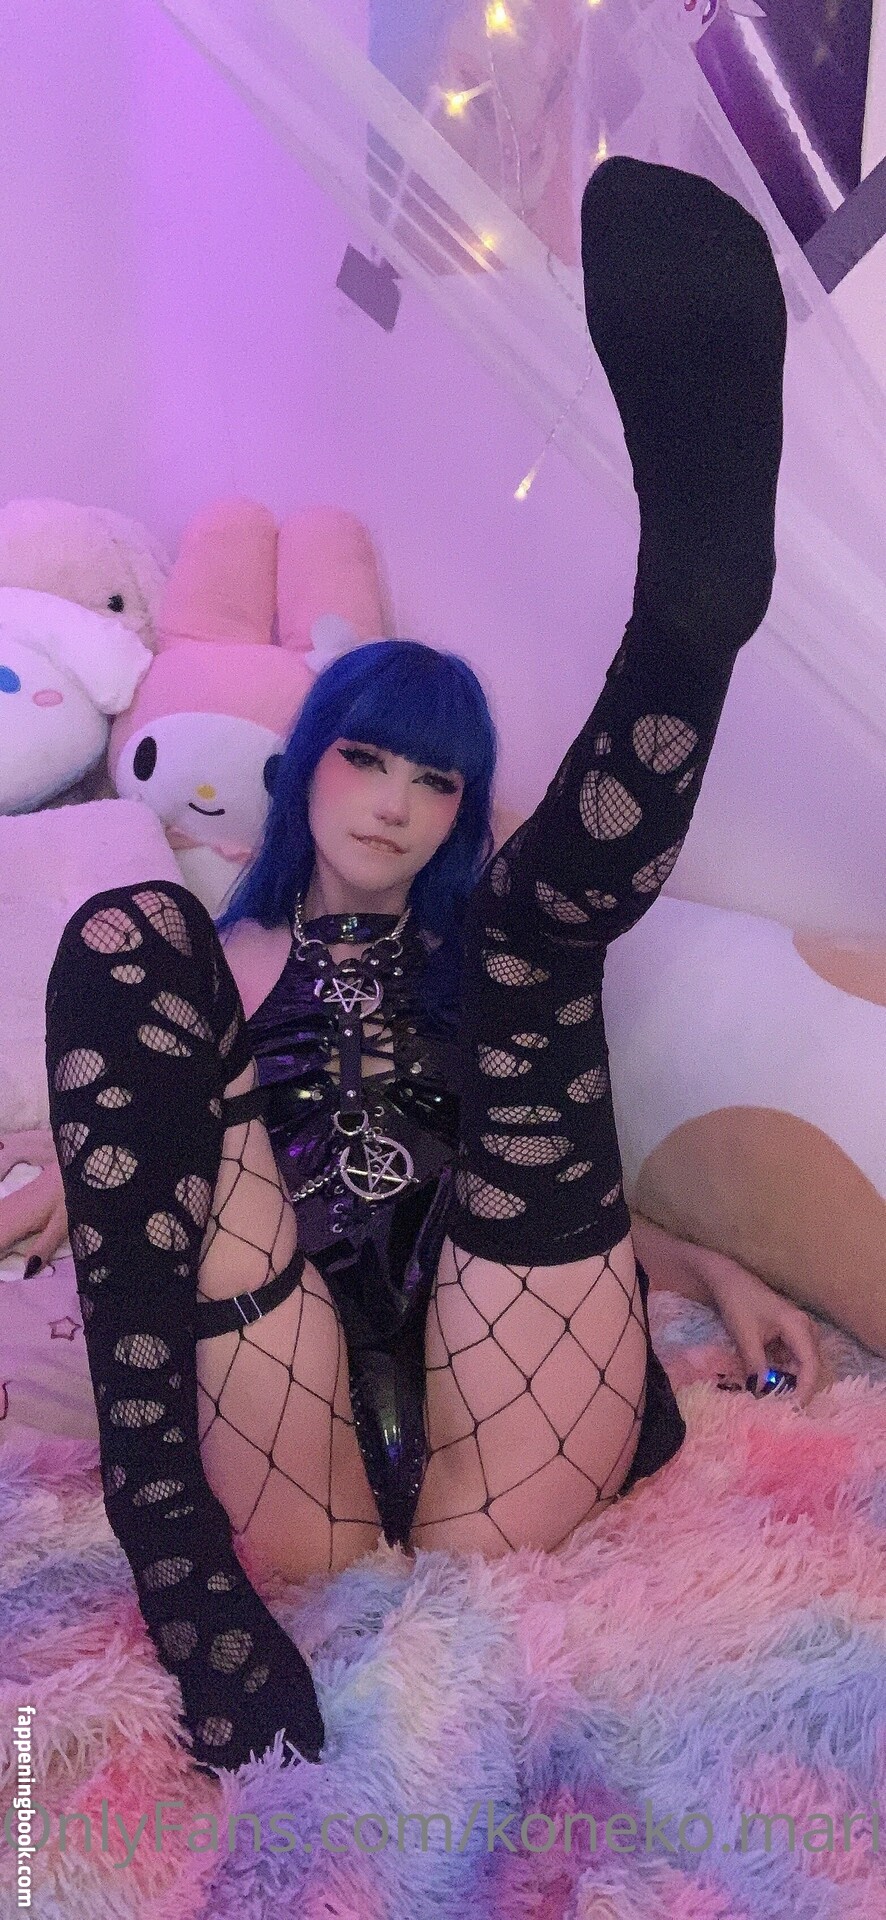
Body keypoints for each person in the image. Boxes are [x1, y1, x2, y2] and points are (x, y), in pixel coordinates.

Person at [2, 160, 823, 1779]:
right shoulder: (206, 966)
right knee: (126, 936)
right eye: (366, 755)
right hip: (281, 1404)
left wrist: (703, 1269)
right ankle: (177, 1570)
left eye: (435, 777)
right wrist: (67, 1179)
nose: (393, 799)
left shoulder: (475, 952)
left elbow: (555, 1192)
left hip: (515, 1406)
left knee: (526, 953)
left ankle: (689, 617)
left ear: (459, 807)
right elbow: (120, 1168)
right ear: (304, 760)